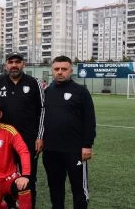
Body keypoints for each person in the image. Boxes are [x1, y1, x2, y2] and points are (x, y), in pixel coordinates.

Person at [0, 52, 44, 208]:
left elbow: (42, 111)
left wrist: (39, 136)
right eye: (11, 62)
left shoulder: (33, 83)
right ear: (6, 64)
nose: (14, 65)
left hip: (28, 139)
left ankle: (29, 205)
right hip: (4, 140)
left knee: (29, 176)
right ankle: (11, 205)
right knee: (5, 176)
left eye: (17, 62)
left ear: (23, 64)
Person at [42, 56, 96, 209]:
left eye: (64, 69)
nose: (60, 72)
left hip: (75, 150)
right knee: (55, 189)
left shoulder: (81, 92)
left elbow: (89, 120)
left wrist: (87, 145)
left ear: (71, 71)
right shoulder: (46, 92)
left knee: (79, 189)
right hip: (51, 150)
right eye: (57, 69)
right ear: (52, 71)